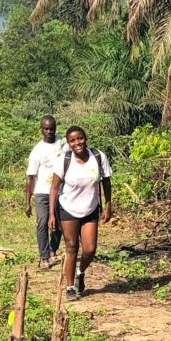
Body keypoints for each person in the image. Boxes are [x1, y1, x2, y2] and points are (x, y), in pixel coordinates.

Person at [49, 125, 113, 301]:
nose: (77, 143)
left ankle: (80, 272)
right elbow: (54, 188)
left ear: (85, 138)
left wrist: (108, 204)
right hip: (67, 208)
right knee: (71, 247)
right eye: (73, 140)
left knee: (90, 249)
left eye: (80, 138)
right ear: (69, 143)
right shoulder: (64, 160)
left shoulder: (98, 157)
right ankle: (70, 287)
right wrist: (52, 215)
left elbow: (106, 182)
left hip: (90, 209)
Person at [24, 115, 66, 270]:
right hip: (42, 192)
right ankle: (44, 256)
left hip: (61, 192)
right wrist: (27, 202)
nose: (50, 131)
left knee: (60, 223)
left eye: (52, 128)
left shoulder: (64, 144)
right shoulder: (37, 150)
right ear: (41, 129)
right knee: (42, 221)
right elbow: (30, 177)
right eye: (46, 129)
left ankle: (53, 249)